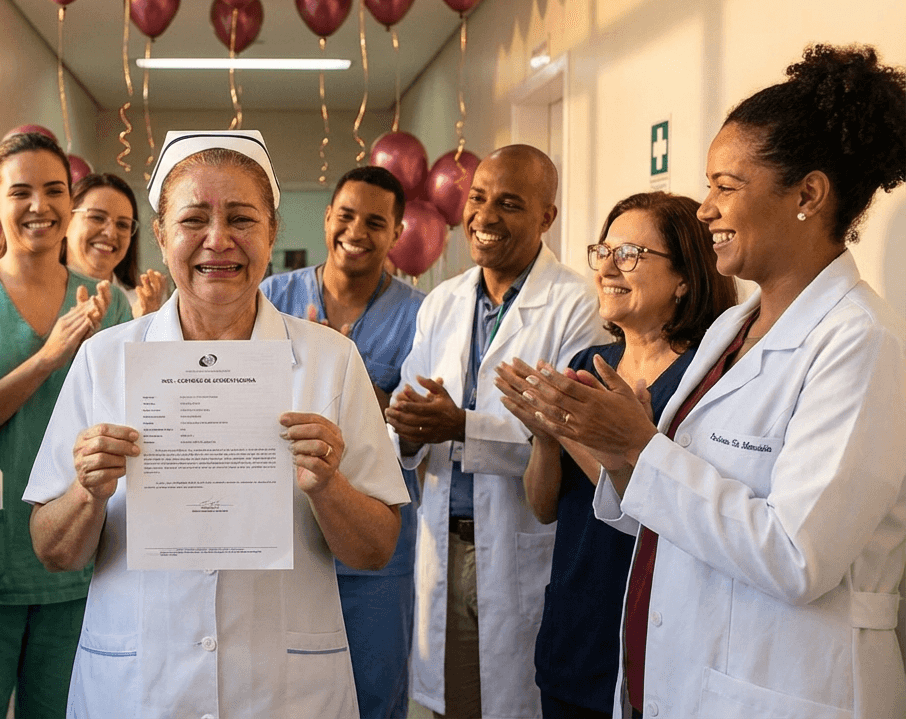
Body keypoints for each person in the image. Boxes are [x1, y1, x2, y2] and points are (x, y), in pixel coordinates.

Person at [500, 44, 906, 719]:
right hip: (689, 670)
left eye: (726, 186)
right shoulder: (732, 330)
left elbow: (797, 557)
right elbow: (674, 511)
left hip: (791, 684)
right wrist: (611, 449)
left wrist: (641, 447)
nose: (706, 210)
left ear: (808, 193)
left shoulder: (860, 343)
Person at [22, 130, 410, 718]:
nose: (218, 240)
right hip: (140, 687)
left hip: (284, 691)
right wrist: (87, 491)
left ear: (273, 232)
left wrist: (330, 487)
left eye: (241, 219)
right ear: (160, 235)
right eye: (194, 218)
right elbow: (53, 551)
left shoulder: (331, 360)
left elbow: (377, 548)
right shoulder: (106, 360)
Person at [384, 144, 606, 719]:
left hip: (521, 540)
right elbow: (413, 408)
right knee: (451, 701)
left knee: (515, 701)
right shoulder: (442, 302)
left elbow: (570, 432)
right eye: (478, 198)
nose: (484, 216)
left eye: (509, 203)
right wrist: (408, 430)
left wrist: (458, 423)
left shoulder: (576, 305)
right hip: (445, 536)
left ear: (546, 217)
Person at [508, 193, 735, 719]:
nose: (607, 267)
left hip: (653, 628)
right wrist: (544, 434)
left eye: (630, 253)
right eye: (603, 250)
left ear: (685, 277)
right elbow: (543, 507)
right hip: (574, 627)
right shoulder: (587, 364)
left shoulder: (706, 380)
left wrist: (572, 431)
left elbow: (651, 511)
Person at [0, 131, 130, 719]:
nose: (39, 206)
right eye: (20, 192)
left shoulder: (107, 302)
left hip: (84, 554)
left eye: (55, 191)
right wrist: (48, 357)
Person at [259, 164, 426, 719]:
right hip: (282, 524)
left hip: (375, 532)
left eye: (375, 222)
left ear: (396, 232)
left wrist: (343, 371)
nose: (356, 231)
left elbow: (416, 423)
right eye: (346, 216)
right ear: (328, 217)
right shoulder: (271, 297)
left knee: (375, 688)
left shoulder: (418, 316)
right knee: (281, 688)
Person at [63, 171, 167, 318]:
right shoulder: (33, 294)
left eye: (123, 225)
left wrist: (140, 326)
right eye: (97, 217)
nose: (111, 233)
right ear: (66, 220)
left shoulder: (145, 307)